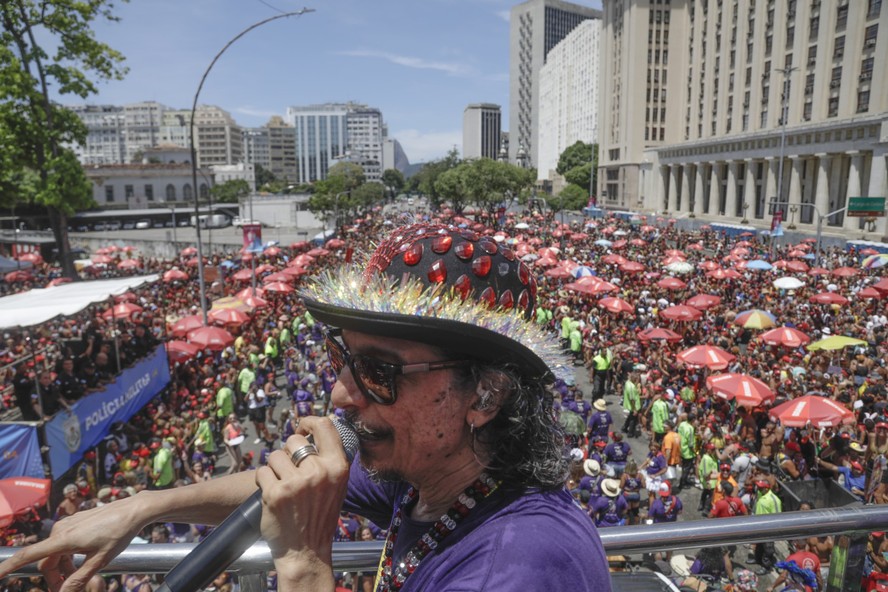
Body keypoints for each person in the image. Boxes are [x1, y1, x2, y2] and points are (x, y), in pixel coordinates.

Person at [0, 223, 611, 591]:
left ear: (485, 395)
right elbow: (291, 482)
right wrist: (145, 506)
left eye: (379, 372)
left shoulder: (517, 567)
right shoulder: (436, 479)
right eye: (343, 360)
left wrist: (303, 565)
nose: (341, 394)